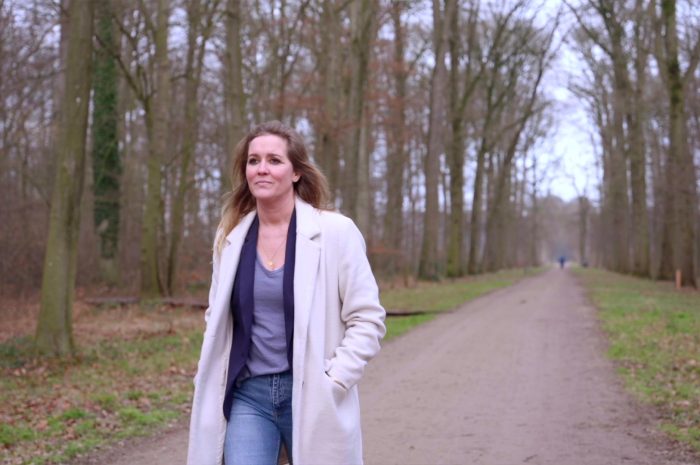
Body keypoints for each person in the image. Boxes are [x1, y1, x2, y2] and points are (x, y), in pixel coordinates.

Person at [187, 121, 386, 465]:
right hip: (248, 397)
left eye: (274, 160)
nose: (261, 169)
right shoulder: (231, 236)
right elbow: (216, 315)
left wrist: (336, 378)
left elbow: (367, 317)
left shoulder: (336, 232)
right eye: (253, 161)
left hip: (312, 394)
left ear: (296, 172)